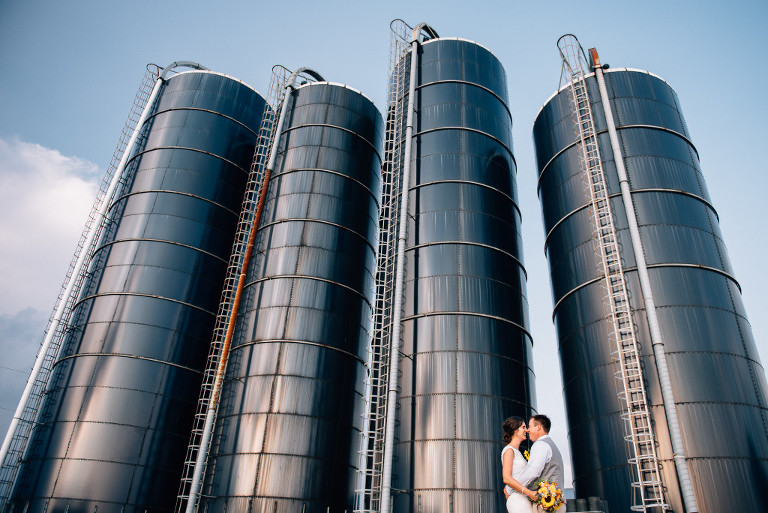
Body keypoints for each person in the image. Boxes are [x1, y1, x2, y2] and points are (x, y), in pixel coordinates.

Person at [516, 414, 566, 512]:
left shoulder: (541, 445)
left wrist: (513, 486)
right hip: (557, 504)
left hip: (546, 506)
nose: (527, 430)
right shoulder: (551, 445)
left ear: (538, 427)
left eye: (529, 426)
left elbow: (532, 472)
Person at [501, 416, 536, 513]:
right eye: (523, 427)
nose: (526, 430)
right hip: (518, 501)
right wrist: (529, 493)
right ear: (516, 430)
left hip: (523, 498)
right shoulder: (509, 451)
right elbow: (507, 478)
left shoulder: (518, 452)